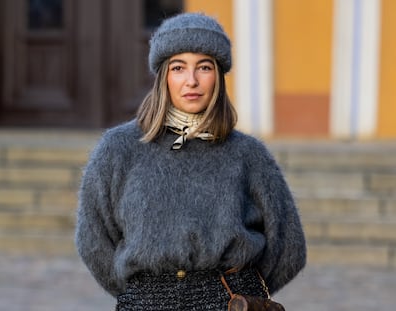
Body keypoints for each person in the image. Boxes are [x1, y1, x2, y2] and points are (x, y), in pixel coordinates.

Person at [75, 12, 306, 310]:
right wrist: (146, 293)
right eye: (179, 67)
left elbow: (288, 248)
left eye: (204, 67)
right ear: (163, 76)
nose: (192, 81)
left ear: (218, 76)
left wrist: (235, 290)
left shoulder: (249, 155)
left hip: (229, 302)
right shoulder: (119, 149)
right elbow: (93, 240)